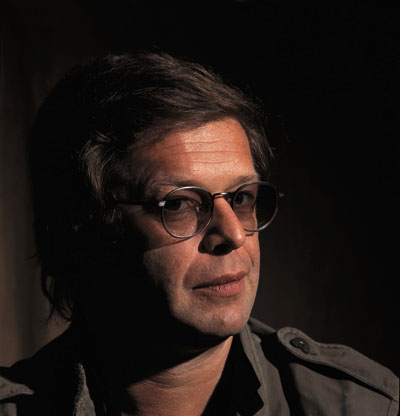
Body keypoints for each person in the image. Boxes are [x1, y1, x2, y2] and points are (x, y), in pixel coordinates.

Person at [0, 52, 398, 416]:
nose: (233, 234)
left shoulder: (363, 407)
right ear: (84, 230)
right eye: (179, 204)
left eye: (242, 197)